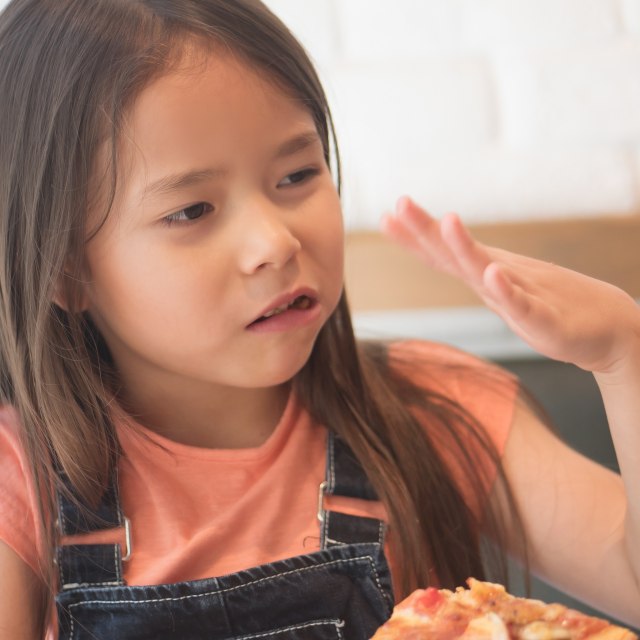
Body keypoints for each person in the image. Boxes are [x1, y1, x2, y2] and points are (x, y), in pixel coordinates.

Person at [0, 1, 638, 638]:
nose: (274, 242)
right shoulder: (20, 476)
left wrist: (622, 350)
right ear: (65, 272)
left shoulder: (431, 408)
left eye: (298, 173)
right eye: (193, 211)